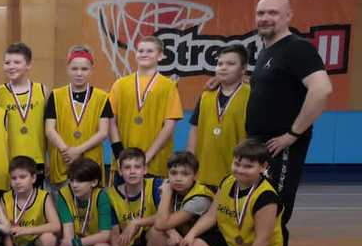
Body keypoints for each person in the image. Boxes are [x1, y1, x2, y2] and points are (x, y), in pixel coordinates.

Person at [244, 0, 332, 246]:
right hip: (259, 146)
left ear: (288, 16)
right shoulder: (267, 52)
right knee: (255, 214)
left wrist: (292, 134)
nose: (265, 18)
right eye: (261, 13)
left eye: (272, 13)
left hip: (280, 147)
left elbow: (321, 89)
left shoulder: (297, 48)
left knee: (273, 216)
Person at [182, 138, 300, 246]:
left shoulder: (266, 197)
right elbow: (212, 216)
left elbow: (262, 240)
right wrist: (191, 234)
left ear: (263, 167)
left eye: (248, 166)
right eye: (237, 164)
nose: (240, 170)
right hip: (233, 243)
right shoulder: (228, 182)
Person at [109, 36, 182, 179]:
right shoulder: (120, 84)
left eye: (150, 51)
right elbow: (111, 122)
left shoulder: (168, 86)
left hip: (154, 163)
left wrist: (146, 158)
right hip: (123, 163)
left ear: (160, 56)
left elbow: (169, 126)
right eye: (140, 50)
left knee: (152, 194)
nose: (144, 54)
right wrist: (120, 155)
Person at [44, 46, 112, 189]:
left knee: (91, 202)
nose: (79, 73)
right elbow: (49, 129)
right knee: (62, 200)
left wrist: (78, 150)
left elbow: (103, 132)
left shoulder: (102, 97)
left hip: (90, 162)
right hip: (63, 161)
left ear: (91, 70)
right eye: (74, 69)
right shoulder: (56, 95)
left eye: (84, 69)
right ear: (67, 69)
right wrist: (67, 151)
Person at [105, 147, 165, 246]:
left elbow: (165, 217)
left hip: (150, 244)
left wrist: (136, 222)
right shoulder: (110, 195)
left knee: (157, 232)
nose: (132, 172)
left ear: (145, 169)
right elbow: (114, 235)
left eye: (137, 167)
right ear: (120, 171)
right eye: (127, 167)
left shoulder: (156, 185)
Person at [0, 154, 61, 246]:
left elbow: (56, 226)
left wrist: (26, 230)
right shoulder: (5, 199)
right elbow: (5, 234)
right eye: (14, 178)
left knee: (49, 239)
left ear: (33, 178)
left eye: (22, 177)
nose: (18, 181)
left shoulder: (43, 197)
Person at [189, 43, 250, 190]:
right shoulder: (205, 95)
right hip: (204, 174)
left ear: (243, 69)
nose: (223, 67)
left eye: (230, 64)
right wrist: (190, 161)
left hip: (236, 175)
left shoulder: (251, 95)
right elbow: (194, 129)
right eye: (220, 63)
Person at [52, 157, 115, 246]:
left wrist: (77, 243)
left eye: (80, 181)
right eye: (72, 180)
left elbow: (105, 234)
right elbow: (67, 233)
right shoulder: (64, 194)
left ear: (94, 182)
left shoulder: (102, 197)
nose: (74, 185)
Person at [0, 43, 47, 176]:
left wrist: (49, 159)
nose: (11, 66)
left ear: (28, 65)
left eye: (17, 62)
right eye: (7, 62)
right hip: (9, 160)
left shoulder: (42, 90)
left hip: (37, 159)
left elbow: (48, 127)